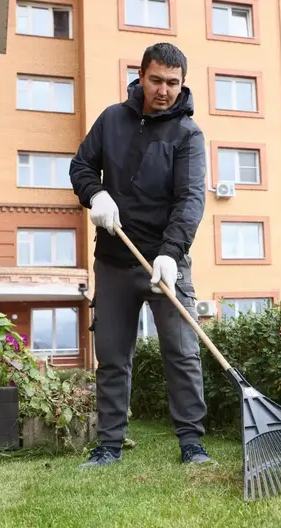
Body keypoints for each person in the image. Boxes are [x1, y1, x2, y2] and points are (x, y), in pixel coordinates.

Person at [69, 42, 211, 467]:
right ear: (141, 76)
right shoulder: (112, 119)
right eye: (156, 80)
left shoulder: (188, 135)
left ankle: (191, 443)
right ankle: (109, 445)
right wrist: (95, 194)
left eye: (172, 82)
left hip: (166, 265)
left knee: (182, 354)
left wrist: (171, 253)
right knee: (112, 357)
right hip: (113, 262)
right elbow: (80, 166)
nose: (163, 90)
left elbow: (190, 200)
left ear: (182, 84)